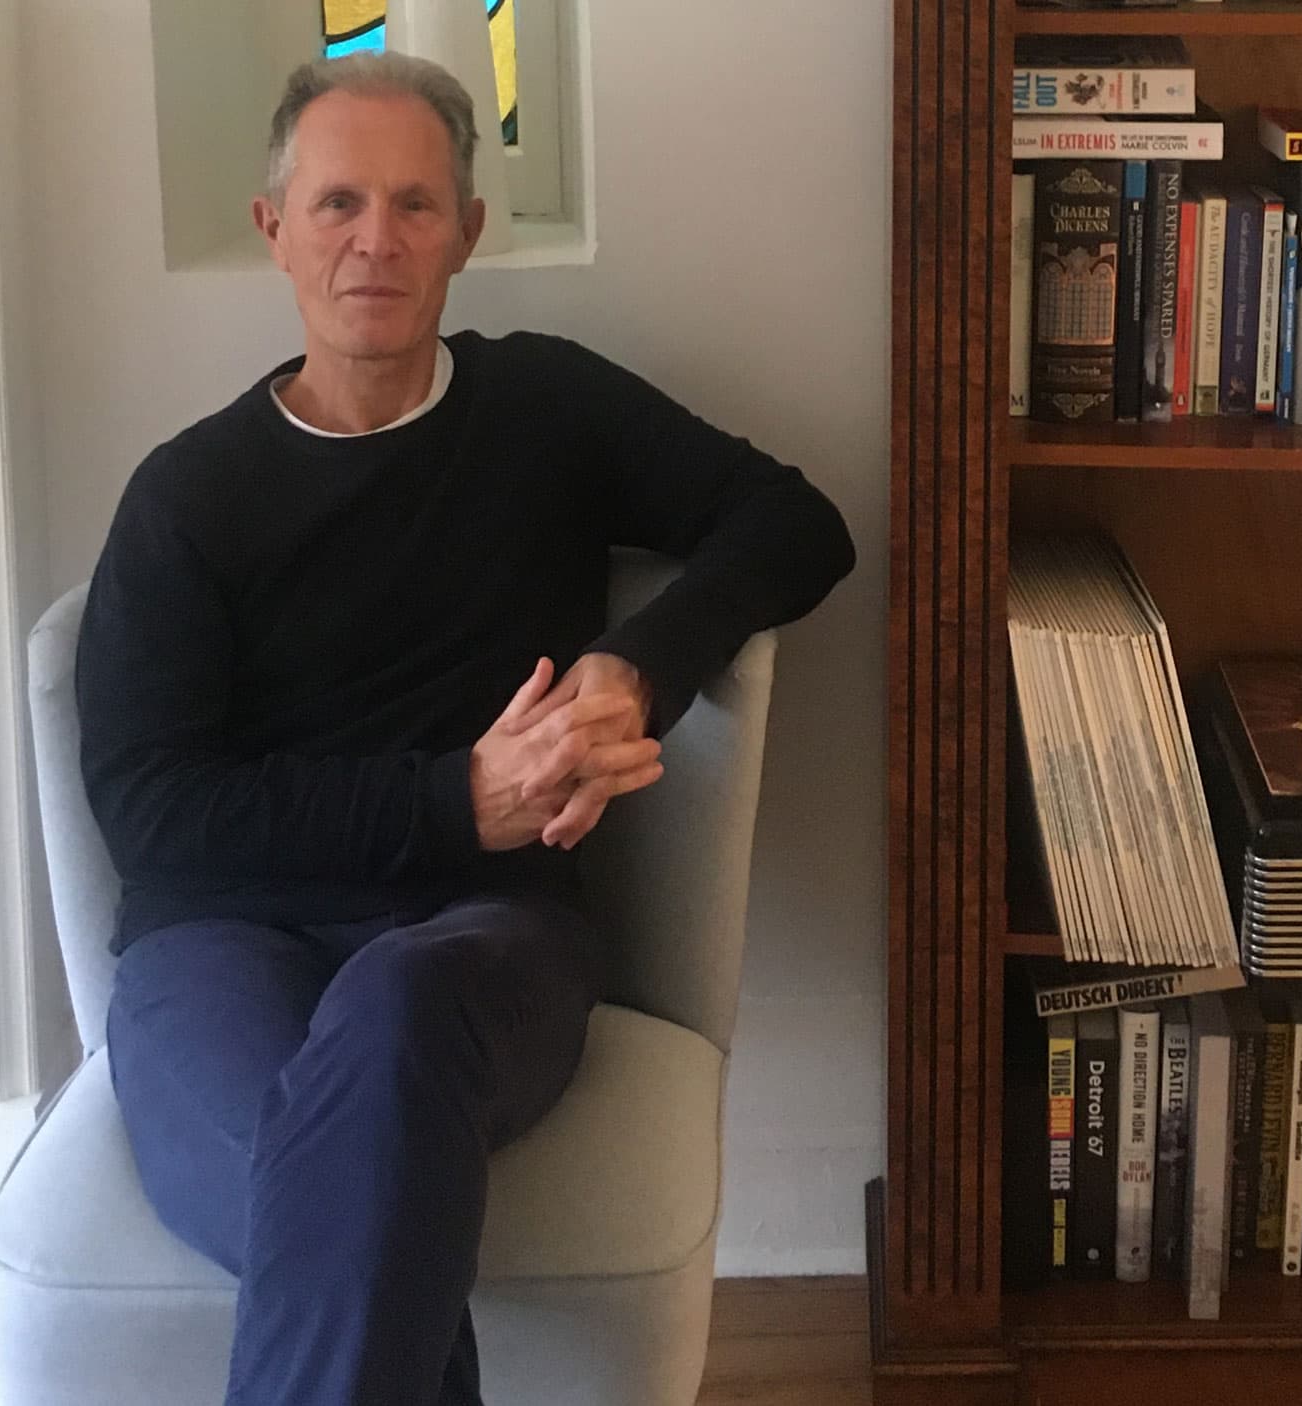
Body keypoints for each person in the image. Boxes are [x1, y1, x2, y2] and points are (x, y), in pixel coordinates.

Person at [73, 53, 854, 1406]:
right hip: (217, 941)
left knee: (390, 1029)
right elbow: (149, 809)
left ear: (468, 232)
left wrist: (636, 666)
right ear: (275, 229)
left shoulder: (546, 411)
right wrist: (451, 797)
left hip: (481, 938)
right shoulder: (186, 497)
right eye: (337, 203)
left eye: (415, 204)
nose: (375, 239)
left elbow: (795, 524)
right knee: (341, 1188)